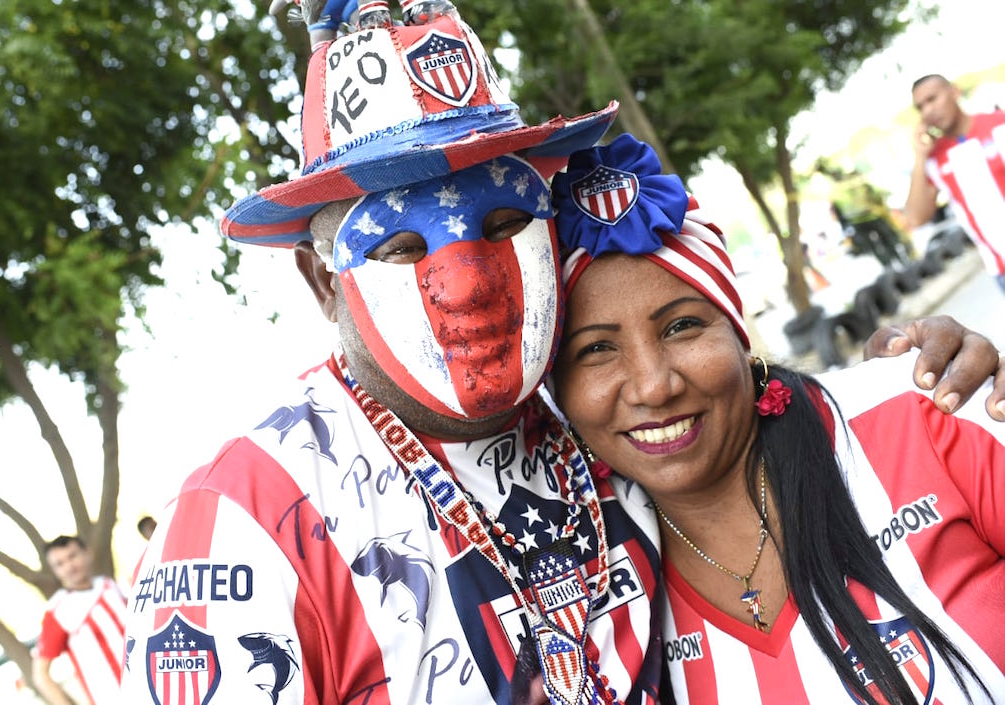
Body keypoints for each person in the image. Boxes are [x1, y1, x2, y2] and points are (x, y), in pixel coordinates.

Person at [121, 5, 1005, 704]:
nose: (466, 285)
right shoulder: (246, 521)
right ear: (321, 282)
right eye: (400, 249)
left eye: (504, 222)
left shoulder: (596, 436)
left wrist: (920, 384)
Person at [551, 133, 1005, 704]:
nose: (654, 386)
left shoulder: (919, 414)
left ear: (740, 335)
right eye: (595, 349)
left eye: (681, 326)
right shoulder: (598, 595)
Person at [903, 73, 1005, 293]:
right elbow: (914, 218)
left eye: (932, 99)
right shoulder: (932, 159)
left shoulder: (998, 124)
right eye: (920, 107)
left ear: (954, 92)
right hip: (1001, 270)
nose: (928, 110)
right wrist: (919, 157)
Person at [33, 536, 127, 705]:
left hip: (156, 687)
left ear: (87, 553)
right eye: (59, 564)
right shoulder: (59, 609)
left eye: (72, 556)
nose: (69, 566)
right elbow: (40, 674)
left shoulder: (108, 585)